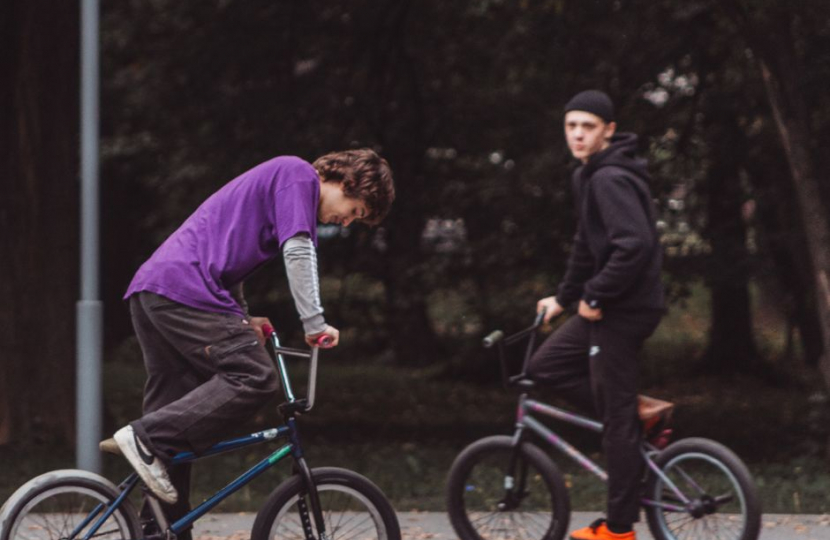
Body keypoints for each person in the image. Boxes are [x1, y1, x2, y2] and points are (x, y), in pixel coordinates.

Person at [112, 149, 394, 539]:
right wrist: (314, 323)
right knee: (254, 375)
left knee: (173, 425)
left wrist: (241, 320)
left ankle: (157, 529)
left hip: (156, 292)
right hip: (183, 291)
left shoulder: (277, 187)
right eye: (354, 210)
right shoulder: (298, 176)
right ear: (346, 182)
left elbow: (230, 265)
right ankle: (144, 437)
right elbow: (297, 250)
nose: (345, 222)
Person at [528, 90, 666, 540]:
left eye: (588, 126)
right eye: (571, 126)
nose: (578, 134)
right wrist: (564, 297)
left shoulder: (610, 178)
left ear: (608, 129)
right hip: (608, 306)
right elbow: (587, 245)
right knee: (544, 366)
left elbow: (635, 245)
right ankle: (634, 413)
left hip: (625, 310)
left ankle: (619, 529)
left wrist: (596, 293)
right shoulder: (587, 175)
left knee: (616, 426)